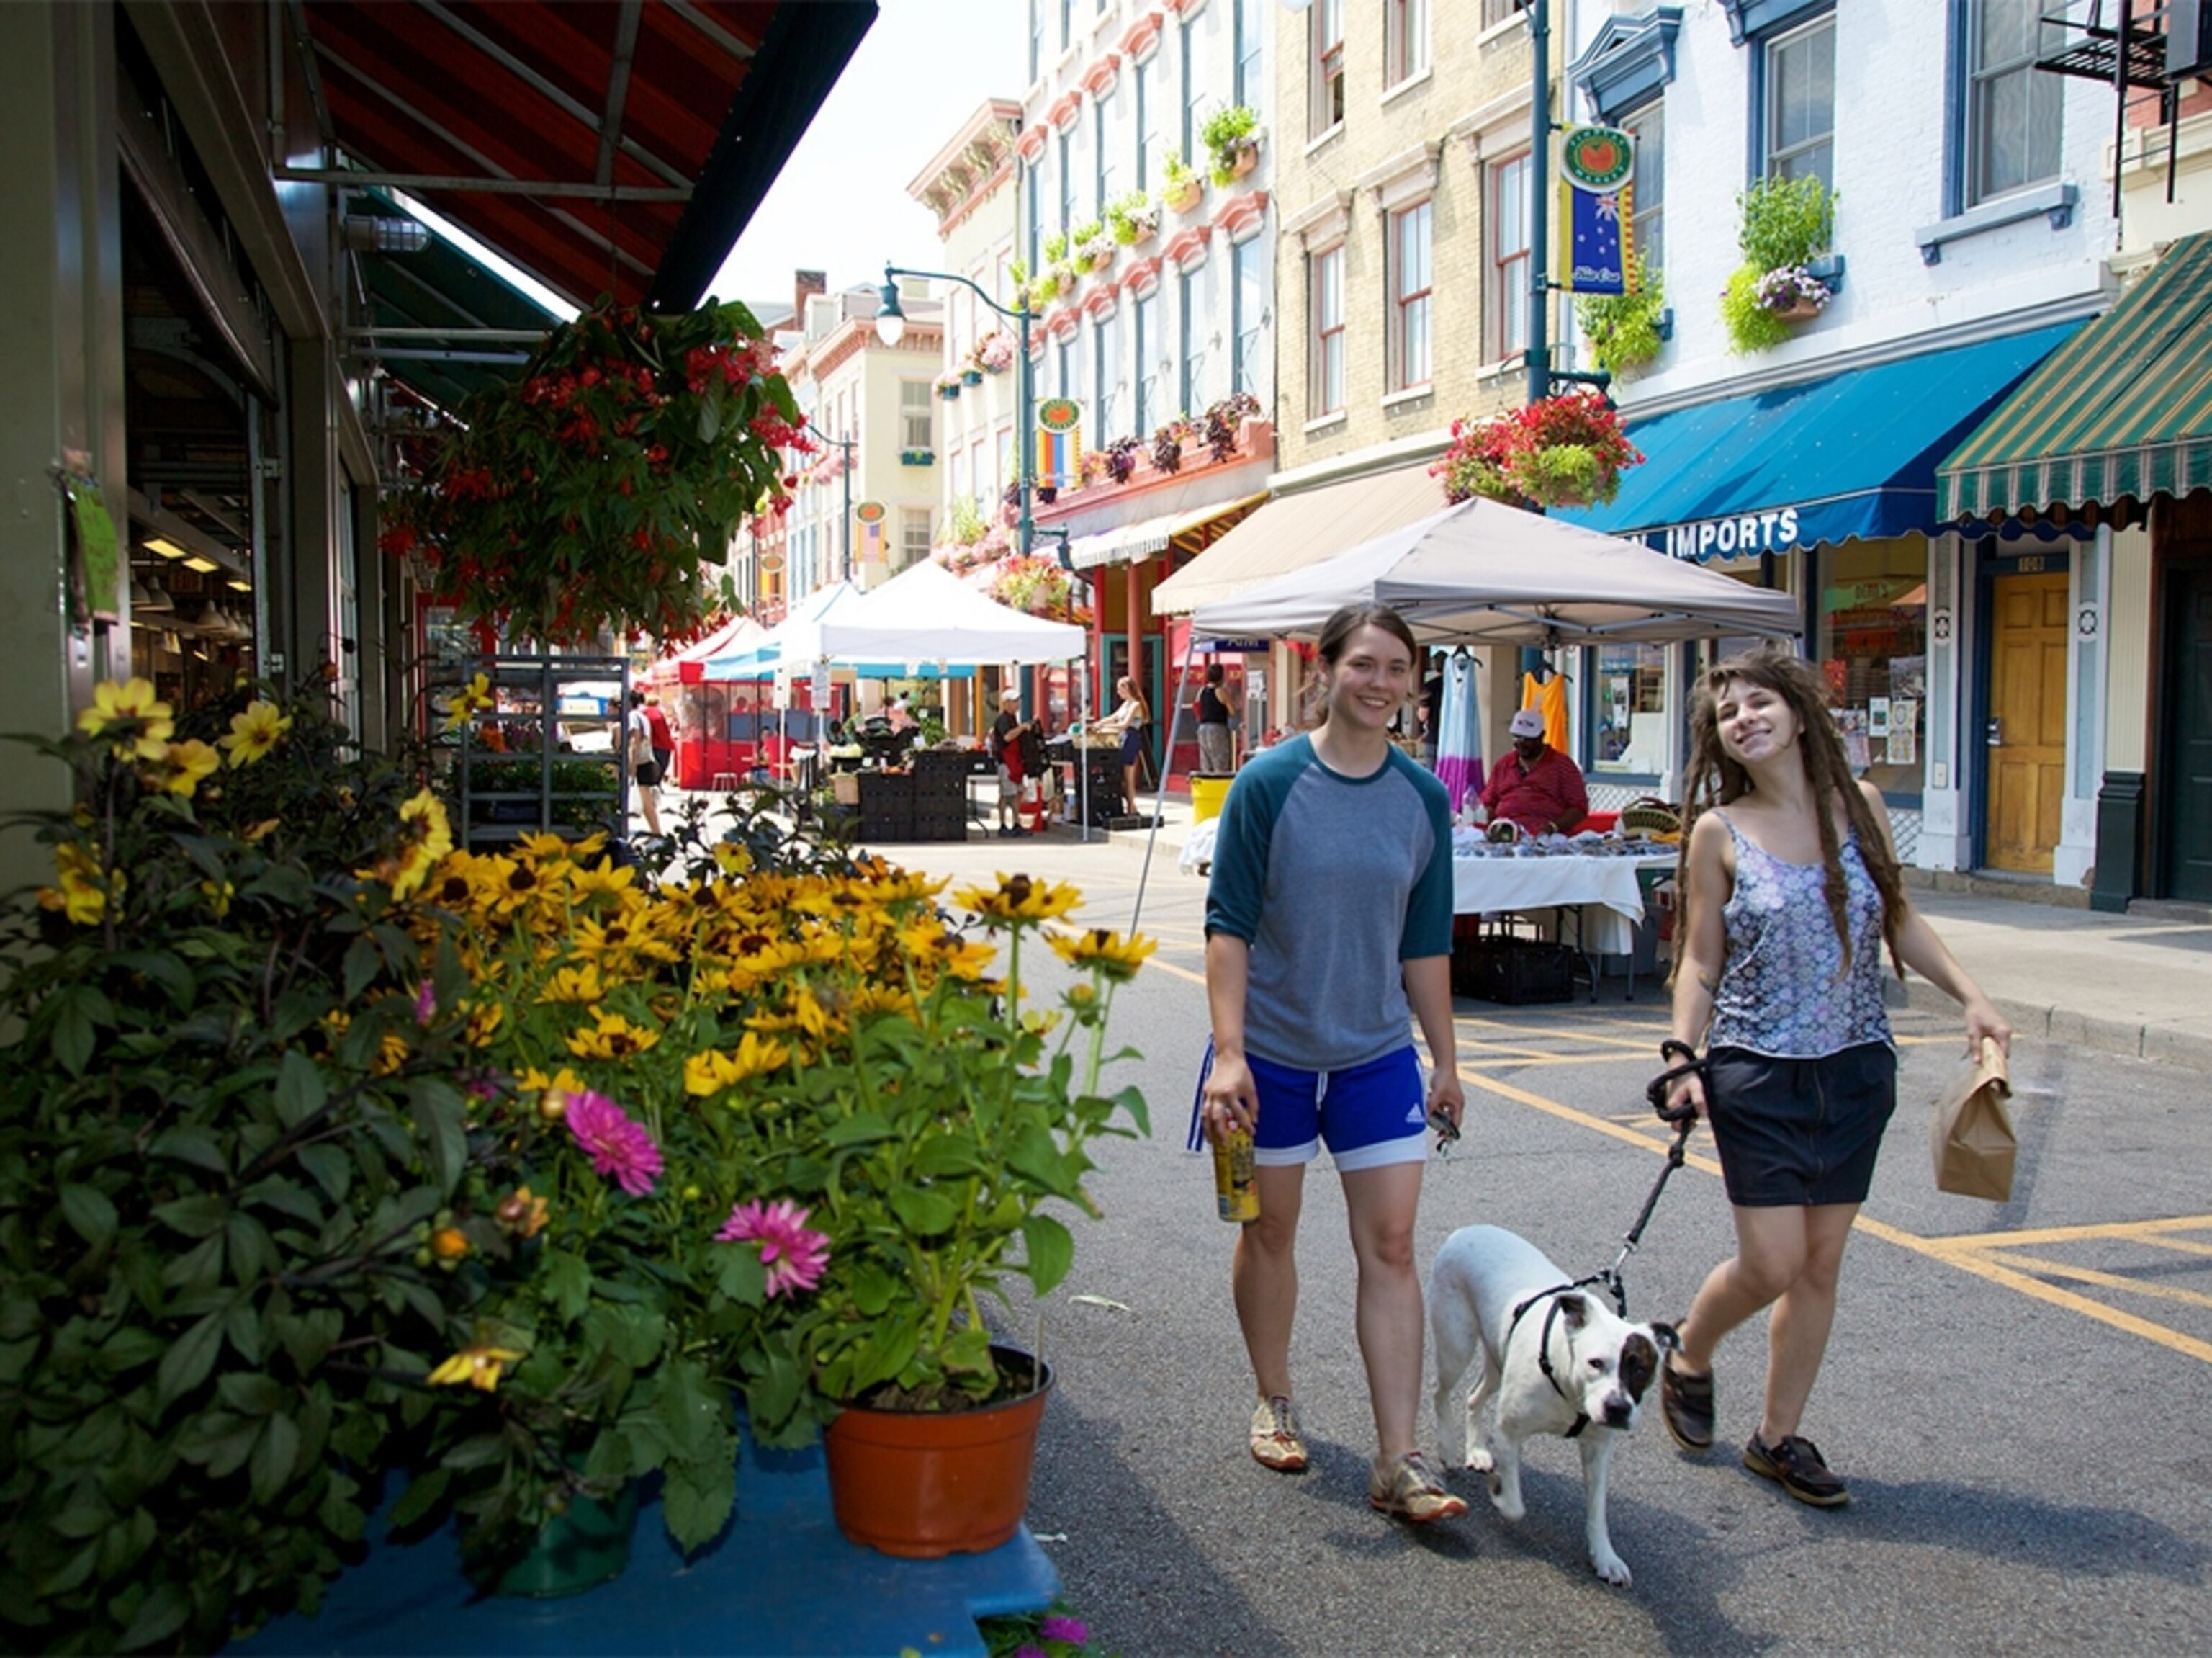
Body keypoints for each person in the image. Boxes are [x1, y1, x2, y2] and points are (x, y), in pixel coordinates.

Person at [1658, 650, 2011, 1507]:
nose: (1745, 718)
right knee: (1772, 1260)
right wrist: (1680, 1056)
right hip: (1756, 1071)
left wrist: (1972, 996)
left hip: (1855, 1069)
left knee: (1819, 1266)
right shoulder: (1717, 831)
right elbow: (1702, 956)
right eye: (1729, 713)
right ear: (1722, 741)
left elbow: (1899, 917)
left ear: (1799, 709)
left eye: (1759, 701)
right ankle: (1689, 1353)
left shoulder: (1862, 812)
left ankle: (1777, 1439)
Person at [1197, 602, 1470, 1525]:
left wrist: (1447, 1060)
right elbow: (1227, 927)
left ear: (1413, 683)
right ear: (1326, 670)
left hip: (1374, 1056)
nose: (1381, 682)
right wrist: (1227, 1055)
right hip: (1269, 1055)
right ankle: (1274, 1397)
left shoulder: (1423, 799)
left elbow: (1424, 945)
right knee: (1269, 1232)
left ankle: (1401, 1459)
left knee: (1391, 1246)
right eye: (1365, 664)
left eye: (1398, 667)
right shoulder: (1269, 783)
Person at [1478, 707, 1588, 836]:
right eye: (1517, 737)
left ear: (1541, 736)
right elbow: (1488, 801)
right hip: (1506, 832)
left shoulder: (1562, 765)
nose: (1521, 743)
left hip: (1549, 835)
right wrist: (1491, 819)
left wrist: (1553, 827)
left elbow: (1579, 808)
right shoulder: (1503, 764)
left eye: (1527, 739)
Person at [1097, 675, 1150, 814]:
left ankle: (1132, 806)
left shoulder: (1136, 705)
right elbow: (1113, 717)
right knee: (1119, 775)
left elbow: (1124, 724)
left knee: (1128, 777)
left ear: (1127, 688)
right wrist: (1099, 723)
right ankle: (1130, 805)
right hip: (1122, 738)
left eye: (1120, 689)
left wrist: (1103, 728)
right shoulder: (1126, 704)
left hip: (1130, 738)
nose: (1118, 692)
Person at [990, 691, 1032, 838]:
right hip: (1005, 763)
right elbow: (1007, 737)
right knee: (1006, 794)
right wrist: (1022, 728)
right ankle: (1002, 825)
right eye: (1014, 701)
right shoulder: (1002, 720)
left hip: (1015, 761)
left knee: (1016, 794)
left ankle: (1016, 823)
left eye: (1018, 701)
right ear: (1006, 703)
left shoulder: (1013, 719)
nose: (1017, 704)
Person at [625, 690, 663, 838]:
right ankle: (655, 830)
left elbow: (635, 740)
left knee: (645, 798)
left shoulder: (632, 716)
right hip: (647, 759)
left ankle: (656, 831)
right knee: (646, 798)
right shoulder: (643, 717)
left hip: (640, 761)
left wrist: (632, 764)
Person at [1195, 662, 1238, 775]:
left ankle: (1208, 788)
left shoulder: (1202, 691)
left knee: (1206, 761)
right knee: (1220, 760)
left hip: (1202, 728)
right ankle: (1220, 788)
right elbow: (1232, 711)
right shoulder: (1220, 691)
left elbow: (1197, 707)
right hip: (1217, 728)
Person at [643, 691, 675, 788]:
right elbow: (662, 732)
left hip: (649, 745)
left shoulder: (644, 713)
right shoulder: (656, 714)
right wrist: (670, 744)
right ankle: (656, 786)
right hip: (660, 746)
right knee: (660, 767)